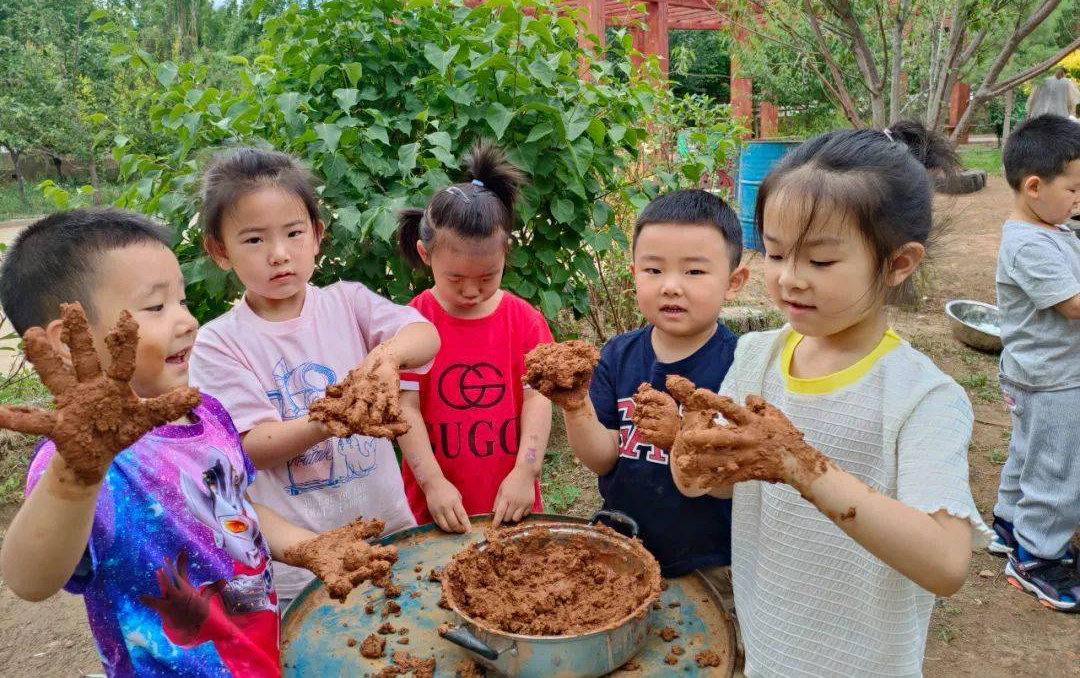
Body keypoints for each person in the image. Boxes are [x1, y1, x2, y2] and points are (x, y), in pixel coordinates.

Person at [670, 123, 990, 675]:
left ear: (898, 263)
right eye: (775, 253)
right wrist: (691, 455)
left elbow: (946, 563)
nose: (790, 279)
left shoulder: (921, 398)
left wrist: (801, 466)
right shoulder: (756, 357)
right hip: (770, 639)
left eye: (820, 262)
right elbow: (716, 486)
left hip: (862, 659)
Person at [0, 209, 329, 676]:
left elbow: (236, 508)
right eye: (156, 308)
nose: (188, 321)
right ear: (72, 341)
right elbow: (29, 580)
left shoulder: (205, 413)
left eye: (181, 300)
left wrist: (310, 547)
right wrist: (74, 481)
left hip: (256, 655)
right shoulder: (86, 462)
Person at [189, 149, 440, 603]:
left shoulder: (348, 303)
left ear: (317, 235)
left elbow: (425, 336)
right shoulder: (219, 343)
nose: (279, 254)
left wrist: (387, 355)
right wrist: (332, 418)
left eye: (293, 232)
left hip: (389, 533)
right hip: (303, 567)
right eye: (254, 240)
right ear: (220, 251)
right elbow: (253, 447)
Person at [546, 190, 747, 579]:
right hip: (623, 548)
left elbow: (733, 482)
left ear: (733, 281)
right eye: (654, 270)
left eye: (694, 271)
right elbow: (604, 457)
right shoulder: (618, 355)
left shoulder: (741, 365)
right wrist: (576, 407)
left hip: (707, 562)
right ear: (635, 274)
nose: (671, 286)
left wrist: (680, 439)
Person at [395, 144, 553, 532]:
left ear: (505, 255)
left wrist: (526, 473)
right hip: (436, 506)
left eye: (487, 277)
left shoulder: (525, 321)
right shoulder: (413, 323)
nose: (471, 292)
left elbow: (538, 399)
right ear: (425, 254)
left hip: (511, 503)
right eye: (455, 278)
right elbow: (405, 408)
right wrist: (432, 484)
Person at [987, 114, 1080, 611]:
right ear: (1034, 186)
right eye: (1074, 188)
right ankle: (1038, 557)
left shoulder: (1050, 227)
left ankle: (1008, 524)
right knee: (1060, 467)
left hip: (1040, 374)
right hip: (1053, 380)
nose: (1078, 199)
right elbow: (1072, 305)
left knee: (1029, 452)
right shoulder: (1028, 243)